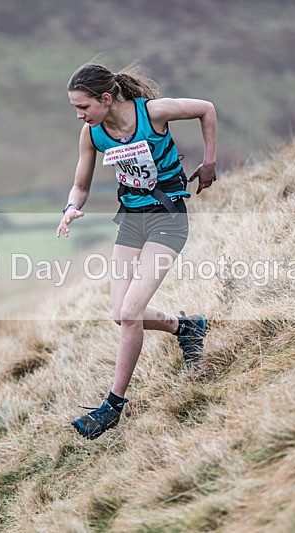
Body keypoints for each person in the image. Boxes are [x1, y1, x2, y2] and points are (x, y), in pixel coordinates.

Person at [57, 62, 217, 439]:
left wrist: (209, 162)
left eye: (83, 107)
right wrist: (71, 207)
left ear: (106, 99)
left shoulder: (152, 113)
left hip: (167, 218)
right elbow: (81, 184)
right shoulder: (92, 134)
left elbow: (206, 108)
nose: (80, 115)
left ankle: (112, 405)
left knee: (130, 313)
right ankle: (187, 328)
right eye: (75, 109)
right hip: (131, 221)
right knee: (121, 313)